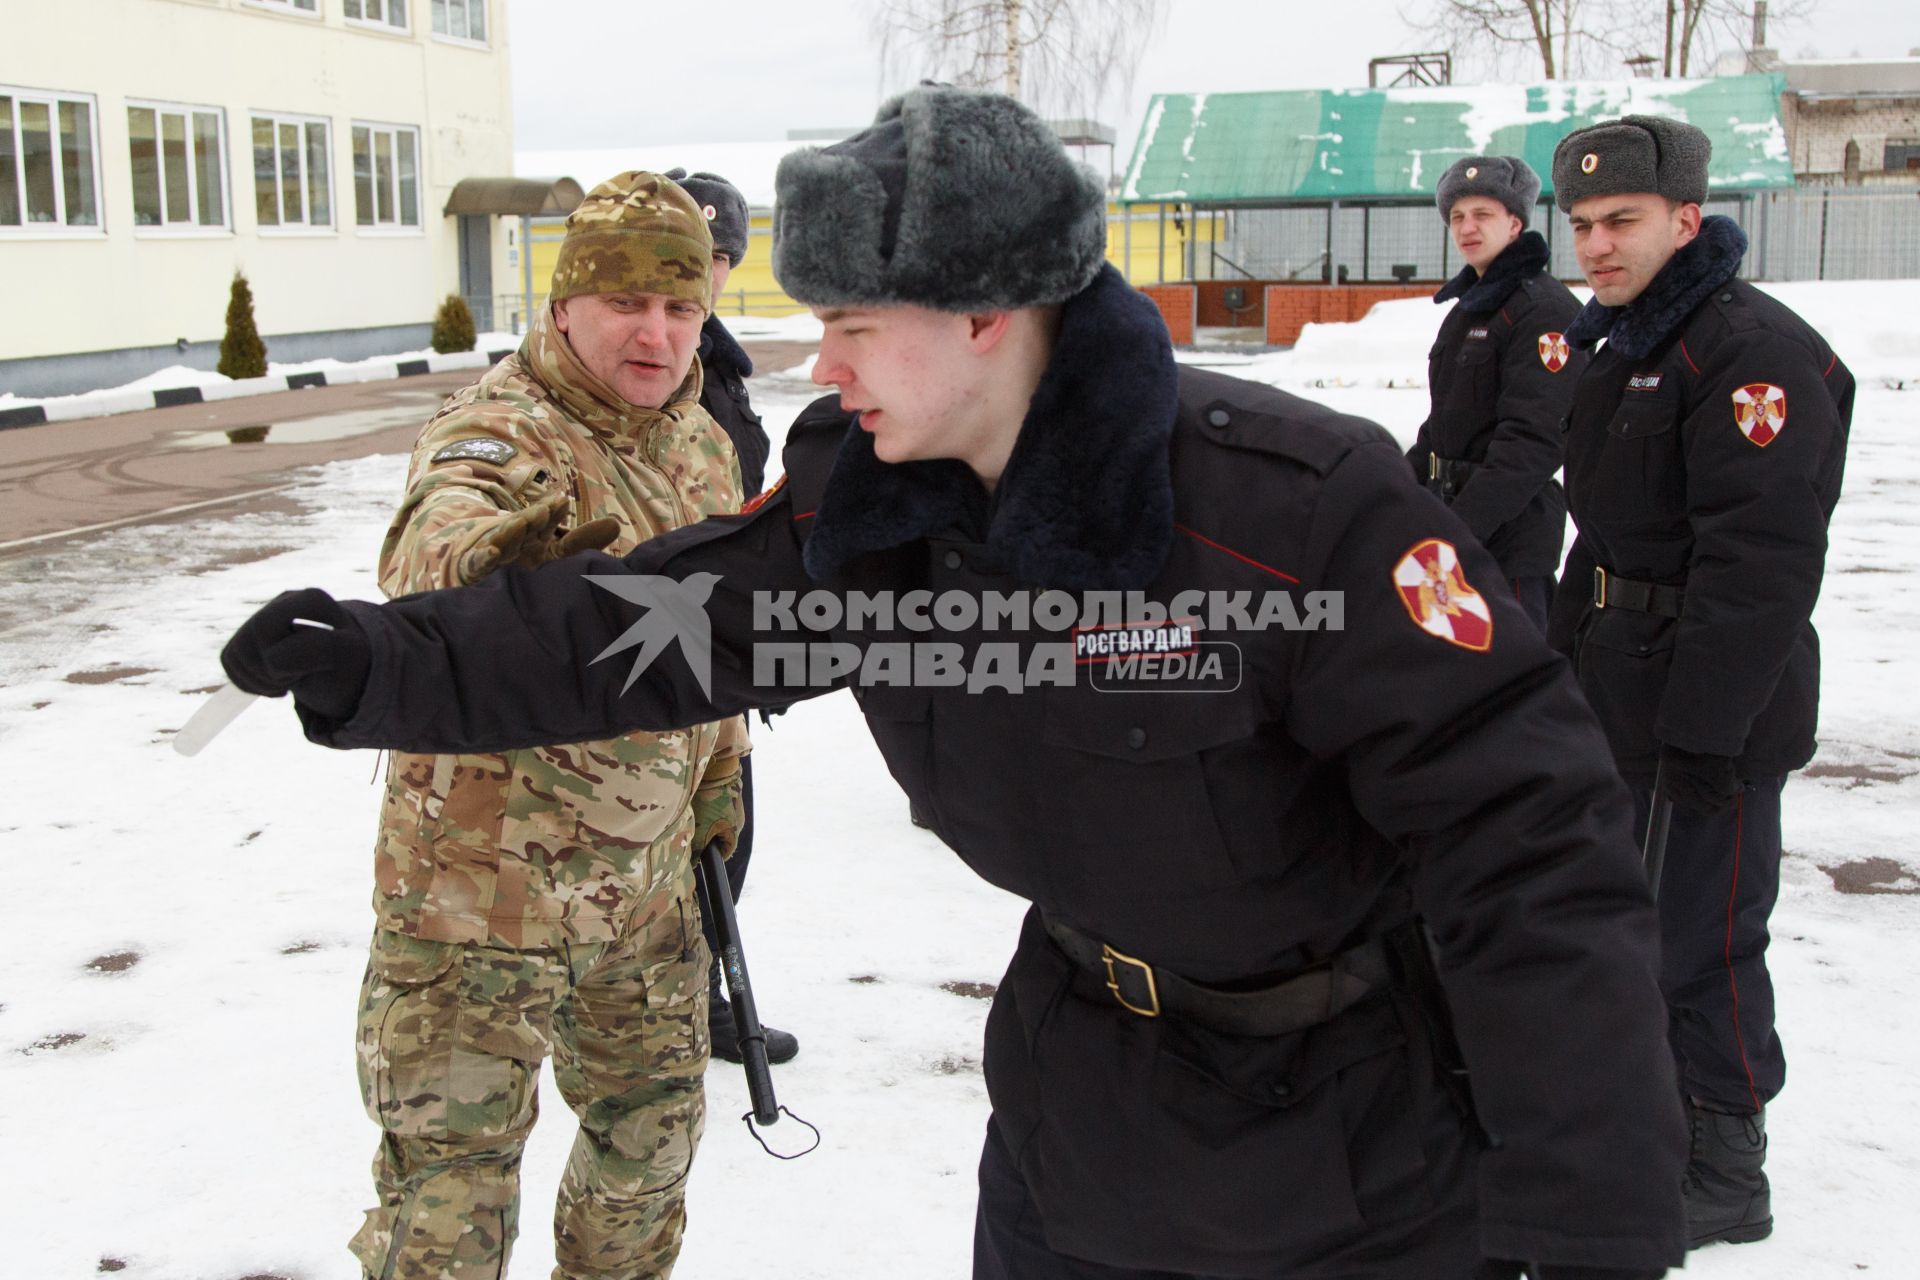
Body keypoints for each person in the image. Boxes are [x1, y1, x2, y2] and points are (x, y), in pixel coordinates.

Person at [224, 87, 1687, 1280]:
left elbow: (1530, 836)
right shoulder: (876, 517)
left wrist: (1590, 1220)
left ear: (984, 316)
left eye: (854, 324)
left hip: (1352, 1150)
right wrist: (380, 661)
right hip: (1080, 1108)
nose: (824, 361)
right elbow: (636, 629)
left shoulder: (1289, 514)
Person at [343, 170, 749, 1280]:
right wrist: (496, 576)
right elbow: (434, 545)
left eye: (680, 308)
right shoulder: (499, 424)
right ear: (565, 304)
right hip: (478, 903)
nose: (655, 333)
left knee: (652, 1154)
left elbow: (716, 647)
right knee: (447, 1203)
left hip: (648, 894)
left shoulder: (703, 445)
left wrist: (721, 789)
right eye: (626, 303)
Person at [1544, 115, 1853, 1251]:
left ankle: (1728, 1156)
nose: (1598, 245)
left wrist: (1708, 734)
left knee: (1703, 933)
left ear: (1687, 216)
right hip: (1615, 687)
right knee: (1621, 920)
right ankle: (1652, 1120)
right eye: (1581, 225)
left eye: (1621, 221)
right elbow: (1601, 538)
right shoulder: (1623, 344)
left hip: (1709, 700)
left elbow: (1760, 564)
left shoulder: (1748, 351)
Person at [662, 165, 800, 1066]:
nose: (701, 271)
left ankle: (699, 995)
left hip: (717, 638)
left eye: (717, 255)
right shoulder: (644, 357)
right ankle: (657, 1010)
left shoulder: (720, 364)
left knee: (726, 833)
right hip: (653, 638)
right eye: (687, 249)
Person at [1407, 155, 1585, 630]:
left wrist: (1456, 532)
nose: (1467, 227)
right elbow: (1441, 427)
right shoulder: (1470, 310)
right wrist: (1394, 489)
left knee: (1513, 689)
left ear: (1514, 223)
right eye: (1457, 218)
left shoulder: (1542, 311)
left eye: (1482, 215)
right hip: (1455, 528)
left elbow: (1533, 443)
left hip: (1506, 546)